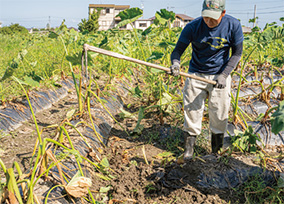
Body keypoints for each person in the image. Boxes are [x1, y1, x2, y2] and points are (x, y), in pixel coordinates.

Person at [170, 0, 243, 160]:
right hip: (196, 74)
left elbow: (236, 54)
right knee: (192, 110)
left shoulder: (233, 25)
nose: (209, 22)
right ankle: (189, 151)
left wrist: (224, 75)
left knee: (219, 112)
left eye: (213, 18)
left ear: (223, 13)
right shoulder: (192, 27)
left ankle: (215, 152)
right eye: (206, 17)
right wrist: (175, 63)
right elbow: (177, 51)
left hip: (220, 75)